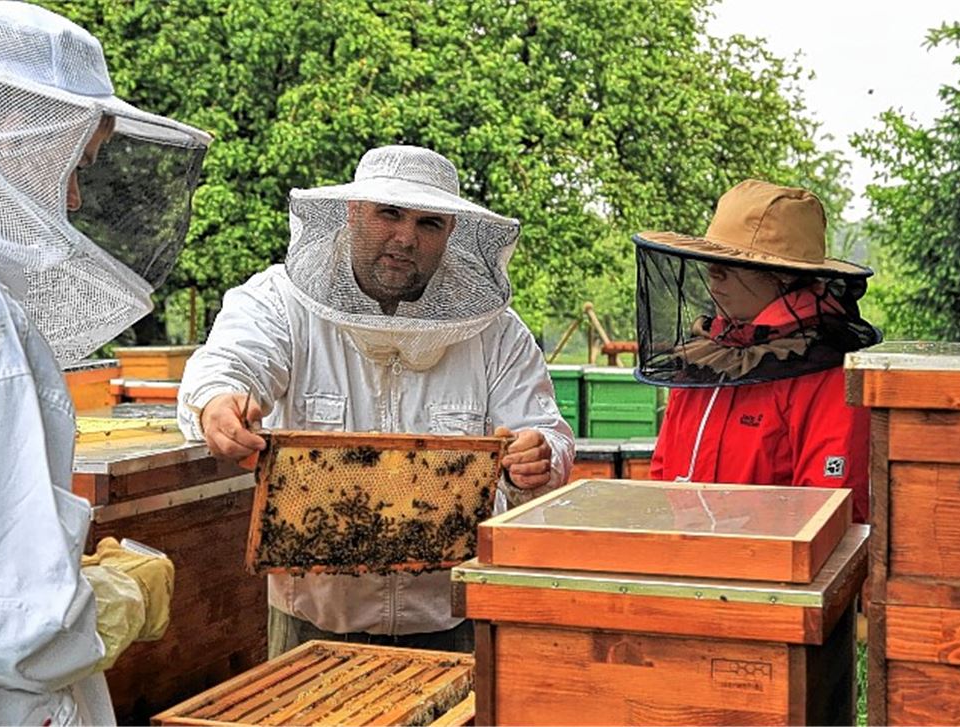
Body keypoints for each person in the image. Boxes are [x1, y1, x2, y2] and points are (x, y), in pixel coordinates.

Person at [0, 2, 211, 724]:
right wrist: (110, 601)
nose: (73, 197)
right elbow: (2, 626)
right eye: (81, 163)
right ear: (14, 130)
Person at [178, 144, 575, 655]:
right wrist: (218, 402)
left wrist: (537, 455)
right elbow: (228, 364)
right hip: (312, 624)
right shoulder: (280, 303)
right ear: (352, 211)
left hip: (454, 623)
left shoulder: (496, 335)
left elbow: (547, 432)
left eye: (429, 223)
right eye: (390, 213)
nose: (405, 237)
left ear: (450, 233)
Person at [632, 179, 881, 523]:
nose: (712, 272)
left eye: (735, 263)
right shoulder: (704, 357)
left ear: (785, 276)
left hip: (772, 570)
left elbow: (830, 517)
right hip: (687, 564)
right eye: (712, 258)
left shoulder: (826, 375)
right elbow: (662, 478)